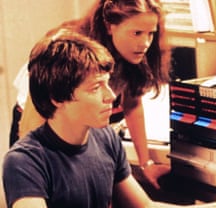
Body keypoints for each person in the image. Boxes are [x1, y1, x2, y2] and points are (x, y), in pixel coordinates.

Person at [2, 30, 216, 208]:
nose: (110, 95)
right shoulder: (24, 161)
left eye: (107, 83)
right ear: (57, 98)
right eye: (95, 88)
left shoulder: (105, 138)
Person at [17, 0, 173, 189]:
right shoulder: (65, 51)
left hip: (83, 129)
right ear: (109, 26)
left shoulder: (132, 53)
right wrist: (32, 171)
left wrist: (145, 163)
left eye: (151, 33)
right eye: (137, 33)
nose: (145, 43)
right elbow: (31, 127)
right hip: (40, 125)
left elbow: (132, 104)